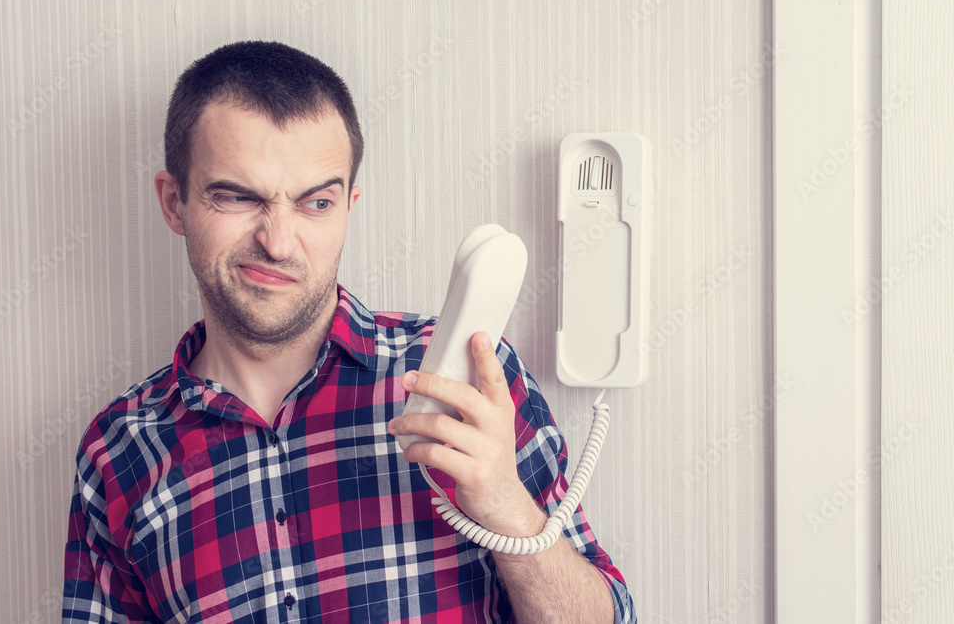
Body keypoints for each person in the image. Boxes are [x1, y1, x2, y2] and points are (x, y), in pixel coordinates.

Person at [62, 40, 635, 623]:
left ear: (348, 206)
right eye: (237, 196)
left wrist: (508, 509)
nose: (279, 242)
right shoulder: (118, 454)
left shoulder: (466, 379)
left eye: (315, 203)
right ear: (174, 202)